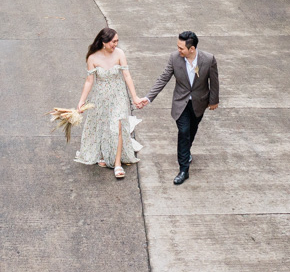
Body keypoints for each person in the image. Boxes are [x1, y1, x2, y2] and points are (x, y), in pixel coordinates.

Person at [140, 30, 218, 185]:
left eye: (181, 48)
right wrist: (148, 98)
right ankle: (183, 170)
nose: (178, 50)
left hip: (199, 102)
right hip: (181, 103)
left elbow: (214, 82)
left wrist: (213, 100)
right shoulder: (174, 58)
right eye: (178, 47)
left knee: (192, 130)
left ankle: (185, 152)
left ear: (192, 49)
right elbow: (163, 78)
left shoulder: (209, 59)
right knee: (183, 132)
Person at [74, 26, 149, 179]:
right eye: (113, 42)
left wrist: (134, 97)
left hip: (119, 96)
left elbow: (127, 75)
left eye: (117, 41)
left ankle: (117, 163)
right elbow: (89, 81)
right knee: (103, 124)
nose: (116, 44)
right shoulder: (93, 58)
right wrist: (81, 101)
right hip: (101, 97)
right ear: (104, 42)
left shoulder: (120, 54)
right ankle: (103, 153)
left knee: (118, 127)